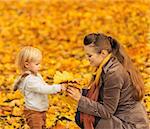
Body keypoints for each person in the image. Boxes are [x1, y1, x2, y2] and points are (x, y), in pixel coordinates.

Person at [67, 33, 149, 129]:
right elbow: (102, 95)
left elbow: (107, 112)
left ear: (103, 53)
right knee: (82, 112)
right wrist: (78, 91)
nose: (87, 59)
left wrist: (80, 99)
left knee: (87, 116)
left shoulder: (113, 73)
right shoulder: (106, 66)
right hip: (120, 117)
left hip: (131, 125)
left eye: (89, 56)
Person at [13, 46, 66, 129]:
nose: (40, 66)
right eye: (37, 64)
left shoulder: (36, 75)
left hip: (40, 109)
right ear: (27, 64)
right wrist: (58, 88)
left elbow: (45, 86)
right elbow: (43, 89)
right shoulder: (30, 80)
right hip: (34, 112)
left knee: (42, 125)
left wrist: (56, 88)